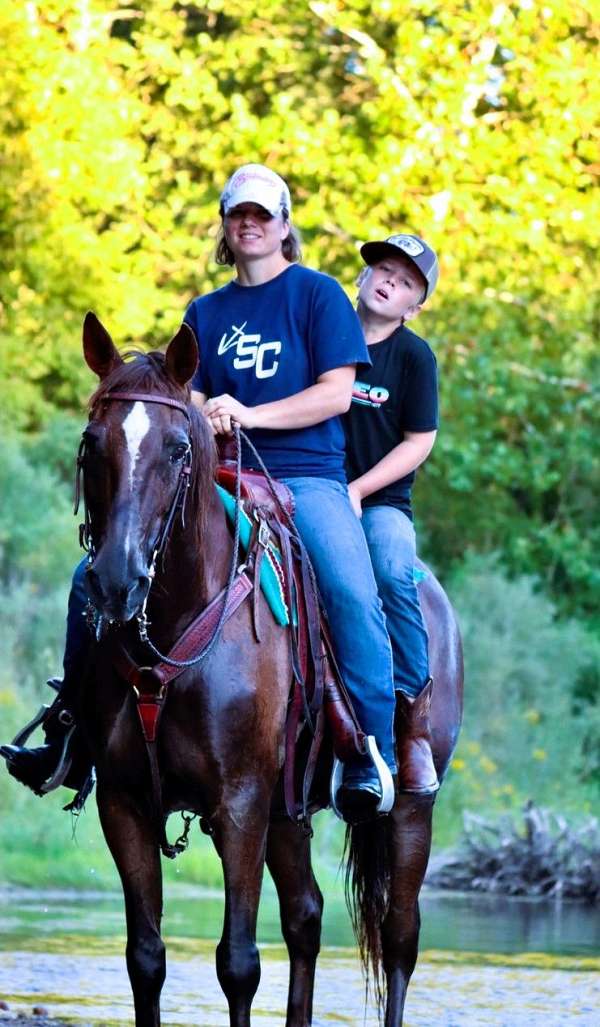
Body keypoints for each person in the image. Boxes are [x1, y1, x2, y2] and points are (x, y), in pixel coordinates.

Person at [2, 164, 397, 821]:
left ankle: (365, 751)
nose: (248, 223)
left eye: (261, 215)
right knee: (92, 574)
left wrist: (248, 412)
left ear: (283, 226)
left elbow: (335, 392)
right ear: (225, 223)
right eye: (237, 213)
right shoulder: (204, 313)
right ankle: (70, 732)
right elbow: (182, 395)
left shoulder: (318, 296)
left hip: (306, 474)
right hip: (216, 474)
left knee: (352, 590)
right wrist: (206, 406)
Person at [343, 233, 441, 794]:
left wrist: (359, 490)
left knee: (392, 573)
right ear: (363, 276)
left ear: (414, 306)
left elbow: (418, 441)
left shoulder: (413, 357)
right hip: (305, 486)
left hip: (378, 501)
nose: (388, 282)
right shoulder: (326, 332)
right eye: (382, 269)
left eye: (405, 281)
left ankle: (411, 726)